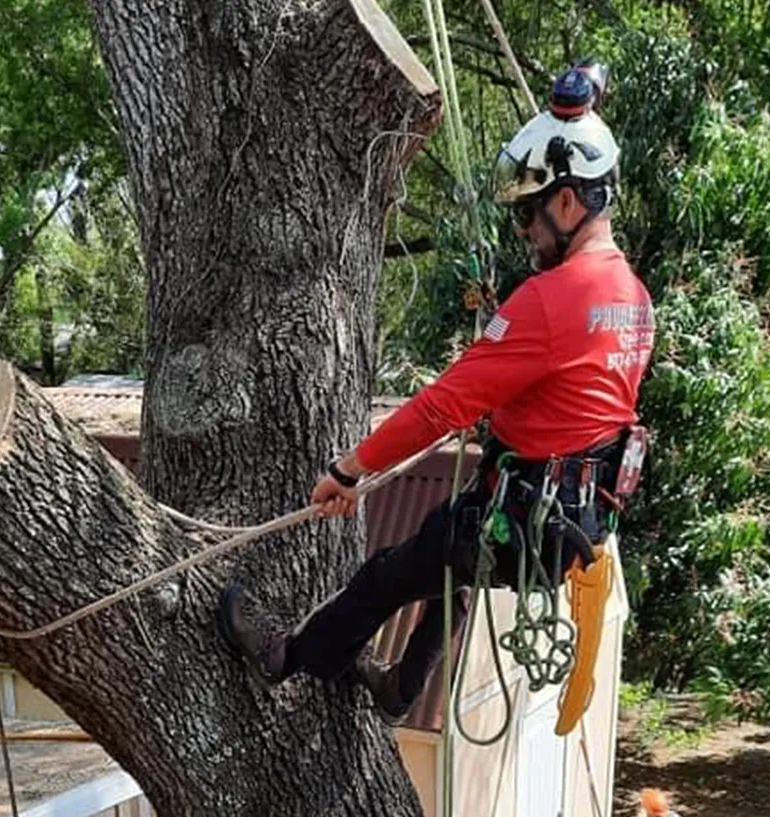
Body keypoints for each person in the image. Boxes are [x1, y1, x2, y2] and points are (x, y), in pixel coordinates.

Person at [219, 66, 656, 721]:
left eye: (528, 214)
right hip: (576, 523)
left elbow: (440, 406)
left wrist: (349, 471)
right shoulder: (633, 298)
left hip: (525, 518)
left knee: (386, 577)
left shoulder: (550, 299)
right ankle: (402, 687)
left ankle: (290, 659)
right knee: (451, 563)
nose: (524, 232)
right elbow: (576, 405)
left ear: (568, 203)